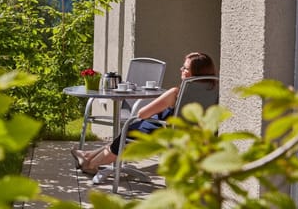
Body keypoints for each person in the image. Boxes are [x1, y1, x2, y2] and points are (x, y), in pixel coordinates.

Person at [71, 52, 217, 175]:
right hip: (193, 135)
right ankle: (88, 156)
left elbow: (142, 113)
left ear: (194, 73)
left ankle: (89, 165)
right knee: (132, 129)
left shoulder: (176, 93)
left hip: (163, 132)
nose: (181, 69)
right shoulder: (213, 91)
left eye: (184, 68)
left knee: (131, 128)